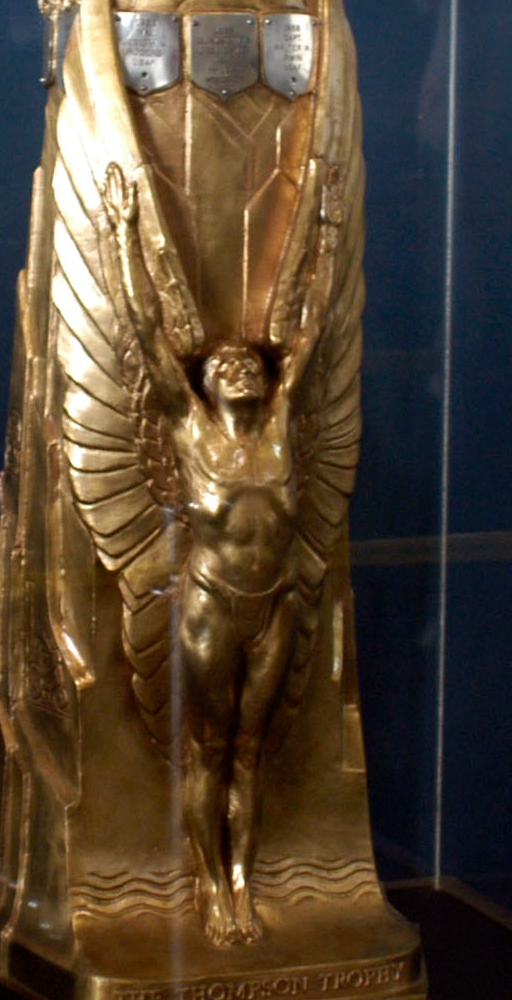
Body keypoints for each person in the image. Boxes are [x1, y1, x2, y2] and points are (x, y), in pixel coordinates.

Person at [102, 160, 340, 943]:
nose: (239, 365)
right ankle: (209, 886)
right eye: (222, 365)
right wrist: (123, 233)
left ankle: (243, 883)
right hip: (211, 606)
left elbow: (313, 329)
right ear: (204, 386)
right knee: (210, 749)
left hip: (274, 604)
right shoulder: (191, 432)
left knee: (251, 749)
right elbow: (144, 332)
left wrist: (332, 231)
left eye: (247, 364)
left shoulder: (279, 431)